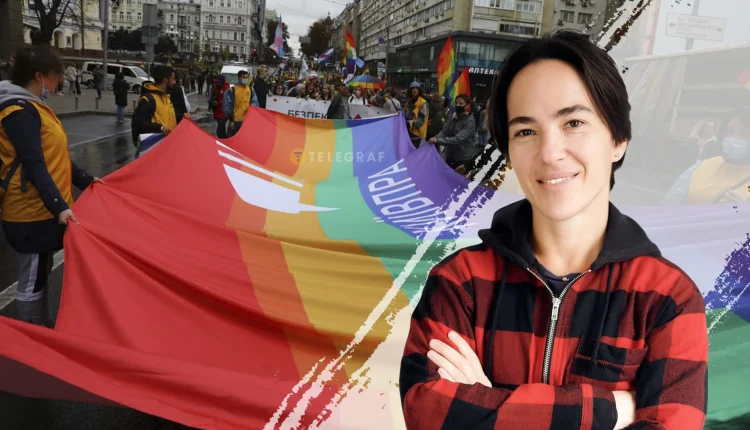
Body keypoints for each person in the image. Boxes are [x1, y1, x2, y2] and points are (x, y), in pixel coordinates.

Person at [399, 30, 708, 430]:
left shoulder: (667, 298)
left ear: (618, 139)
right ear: (509, 152)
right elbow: (426, 412)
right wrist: (608, 411)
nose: (549, 153)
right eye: (525, 131)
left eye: (573, 122)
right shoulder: (460, 282)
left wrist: (488, 405)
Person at [0, 45, 102, 326]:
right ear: (39, 76)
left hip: (42, 208)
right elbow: (34, 164)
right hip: (30, 211)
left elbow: (57, 157)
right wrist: (59, 207)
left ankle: (42, 327)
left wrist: (86, 180)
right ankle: (33, 334)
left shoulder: (34, 107)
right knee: (32, 280)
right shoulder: (19, 111)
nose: (60, 81)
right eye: (57, 75)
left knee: (41, 275)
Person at [662, 108, 750, 205]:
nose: (734, 138)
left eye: (745, 133)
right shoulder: (702, 167)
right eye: (730, 131)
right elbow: (669, 206)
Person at [131, 65, 177, 158]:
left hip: (167, 149)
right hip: (154, 151)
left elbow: (169, 119)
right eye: (173, 78)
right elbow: (140, 123)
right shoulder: (147, 100)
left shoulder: (167, 97)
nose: (175, 82)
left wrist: (183, 117)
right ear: (165, 80)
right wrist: (160, 128)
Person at [428, 94, 480, 170]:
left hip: (463, 157)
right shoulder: (453, 116)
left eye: (461, 103)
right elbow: (444, 131)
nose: (458, 105)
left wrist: (438, 140)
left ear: (467, 105)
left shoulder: (470, 121)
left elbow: (458, 139)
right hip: (450, 154)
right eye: (456, 103)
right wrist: (435, 138)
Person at [223, 70, 258, 137]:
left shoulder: (251, 90)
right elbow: (227, 107)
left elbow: (255, 103)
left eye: (246, 77)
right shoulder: (232, 90)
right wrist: (231, 120)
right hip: (236, 121)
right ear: (239, 78)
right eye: (243, 77)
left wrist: (251, 112)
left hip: (247, 121)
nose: (245, 79)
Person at [404, 81, 429, 147]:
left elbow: (422, 119)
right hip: (409, 132)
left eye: (416, 88)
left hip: (417, 135)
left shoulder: (423, 103)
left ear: (419, 90)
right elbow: (406, 114)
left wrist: (413, 122)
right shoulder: (409, 102)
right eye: (413, 88)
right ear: (410, 90)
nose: (415, 90)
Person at [209, 74, 230, 138]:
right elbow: (213, 97)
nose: (217, 83)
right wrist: (212, 103)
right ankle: (224, 140)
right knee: (221, 130)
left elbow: (227, 100)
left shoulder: (226, 88)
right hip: (218, 111)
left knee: (219, 131)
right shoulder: (216, 87)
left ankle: (223, 140)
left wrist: (218, 102)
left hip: (223, 112)